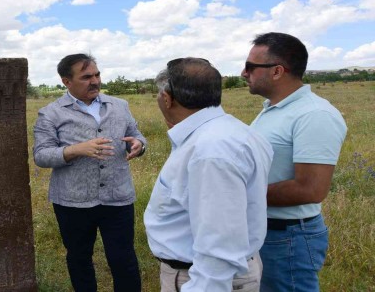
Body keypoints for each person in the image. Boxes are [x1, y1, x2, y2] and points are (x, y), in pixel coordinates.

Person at [144, 57, 274, 292]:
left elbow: (220, 246)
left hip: (202, 279)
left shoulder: (210, 151)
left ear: (167, 98)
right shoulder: (232, 132)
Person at [242, 32, 347, 292]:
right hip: (267, 232)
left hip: (288, 237)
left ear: (277, 71)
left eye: (250, 67)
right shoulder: (273, 109)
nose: (244, 73)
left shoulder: (314, 115)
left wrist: (238, 194)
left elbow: (311, 189)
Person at [33, 53, 147, 292]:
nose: (95, 81)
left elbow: (135, 134)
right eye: (86, 77)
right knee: (79, 258)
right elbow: (41, 155)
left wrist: (138, 145)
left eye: (96, 74)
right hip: (72, 201)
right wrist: (75, 150)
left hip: (117, 197)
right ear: (66, 81)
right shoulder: (50, 113)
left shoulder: (119, 105)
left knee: (123, 258)